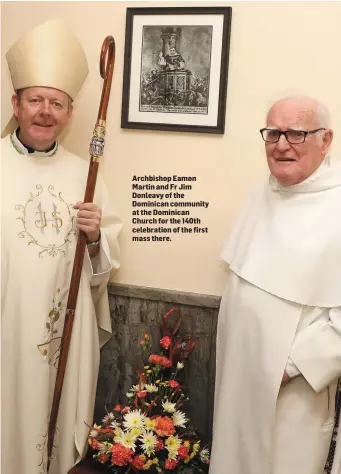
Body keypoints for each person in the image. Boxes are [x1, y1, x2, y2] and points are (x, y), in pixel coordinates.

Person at [1, 19, 122, 474]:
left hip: (60, 337)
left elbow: (102, 267)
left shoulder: (84, 173)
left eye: (57, 103)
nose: (45, 112)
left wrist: (95, 237)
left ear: (70, 113)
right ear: (16, 103)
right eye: (35, 100)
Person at [209, 95, 341, 474]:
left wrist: (292, 364)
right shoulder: (260, 194)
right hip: (239, 375)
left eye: (296, 133)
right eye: (273, 133)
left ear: (326, 139)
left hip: (295, 387)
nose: (282, 145)